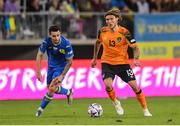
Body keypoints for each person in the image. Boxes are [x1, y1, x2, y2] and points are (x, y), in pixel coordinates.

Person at [91, 8, 152, 117]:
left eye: (111, 19)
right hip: (107, 62)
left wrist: (136, 59)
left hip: (123, 64)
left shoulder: (125, 32)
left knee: (135, 87)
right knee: (108, 85)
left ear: (117, 19)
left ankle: (145, 110)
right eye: (107, 19)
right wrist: (95, 58)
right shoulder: (102, 31)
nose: (109, 22)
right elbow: (97, 43)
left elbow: (135, 47)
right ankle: (116, 102)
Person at [35, 25, 74, 117]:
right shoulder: (46, 42)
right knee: (51, 88)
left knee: (52, 88)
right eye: (54, 36)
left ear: (60, 34)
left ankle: (40, 109)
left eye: (58, 35)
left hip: (61, 68)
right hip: (50, 67)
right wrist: (38, 71)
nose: (56, 38)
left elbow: (70, 62)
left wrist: (62, 75)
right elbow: (39, 55)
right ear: (50, 35)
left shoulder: (66, 44)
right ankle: (68, 92)